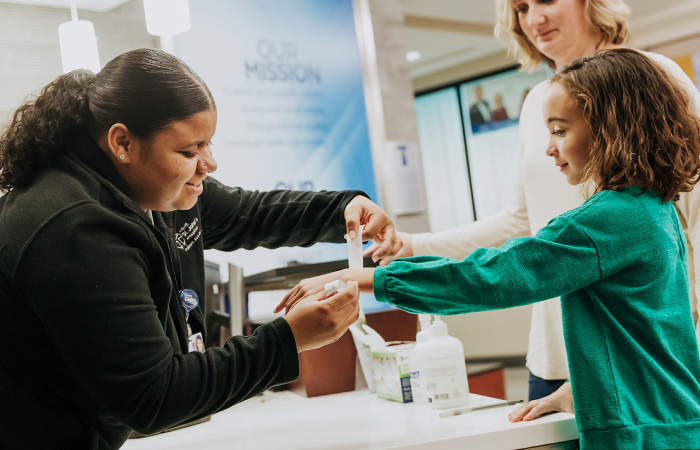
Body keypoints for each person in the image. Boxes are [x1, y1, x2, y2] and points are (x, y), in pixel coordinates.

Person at [279, 48, 700, 449]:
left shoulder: (605, 219)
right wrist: (581, 389)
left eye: (558, 130)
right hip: (674, 419)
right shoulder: (654, 208)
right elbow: (653, 336)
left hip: (639, 433)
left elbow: (493, 276)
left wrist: (367, 278)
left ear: (612, 127)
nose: (548, 147)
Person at [0, 48, 401, 450]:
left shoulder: (155, 188)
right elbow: (155, 397)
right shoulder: (74, 227)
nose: (209, 163)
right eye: (189, 151)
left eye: (207, 144)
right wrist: (288, 338)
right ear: (122, 142)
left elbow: (247, 213)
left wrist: (341, 209)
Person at [364, 0, 700, 402]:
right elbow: (522, 223)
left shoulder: (654, 78)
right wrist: (416, 246)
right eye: (521, 7)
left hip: (639, 353)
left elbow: (692, 218)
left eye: (545, 0)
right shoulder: (537, 100)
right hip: (556, 353)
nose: (533, 19)